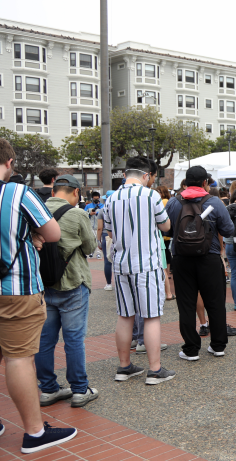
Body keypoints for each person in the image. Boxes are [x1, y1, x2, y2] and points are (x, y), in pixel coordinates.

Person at [0, 139, 78, 453]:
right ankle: (34, 432)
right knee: (18, 358)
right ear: (10, 162)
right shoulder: (18, 193)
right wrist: (31, 233)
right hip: (16, 289)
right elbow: (53, 233)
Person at [103, 157, 175, 384]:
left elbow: (109, 232)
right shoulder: (150, 195)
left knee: (125, 316)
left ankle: (124, 367)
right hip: (147, 263)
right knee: (151, 316)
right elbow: (166, 226)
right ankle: (155, 370)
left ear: (125, 174)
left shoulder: (111, 198)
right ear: (146, 176)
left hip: (121, 264)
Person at [36, 175, 99, 408]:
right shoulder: (77, 214)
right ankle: (80, 390)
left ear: (53, 192)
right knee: (73, 340)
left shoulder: (36, 211)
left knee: (44, 340)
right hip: (72, 283)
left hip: (43, 285)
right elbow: (90, 247)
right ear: (75, 193)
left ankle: (48, 389)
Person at [166, 166, 236, 360]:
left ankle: (190, 349)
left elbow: (166, 230)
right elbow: (229, 230)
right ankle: (218, 345)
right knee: (215, 302)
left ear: (186, 182)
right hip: (210, 257)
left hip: (181, 259)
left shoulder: (173, 203)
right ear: (205, 182)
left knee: (186, 304)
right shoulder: (214, 202)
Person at [156, 186, 175, 301]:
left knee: (163, 267)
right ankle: (168, 293)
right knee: (164, 265)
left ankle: (167, 293)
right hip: (162, 237)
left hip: (162, 236)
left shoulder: (163, 202)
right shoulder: (166, 201)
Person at [95, 191, 115, 291]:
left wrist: (98, 240)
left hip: (105, 235)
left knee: (107, 261)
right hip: (118, 236)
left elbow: (99, 228)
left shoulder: (102, 211)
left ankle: (108, 284)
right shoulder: (119, 209)